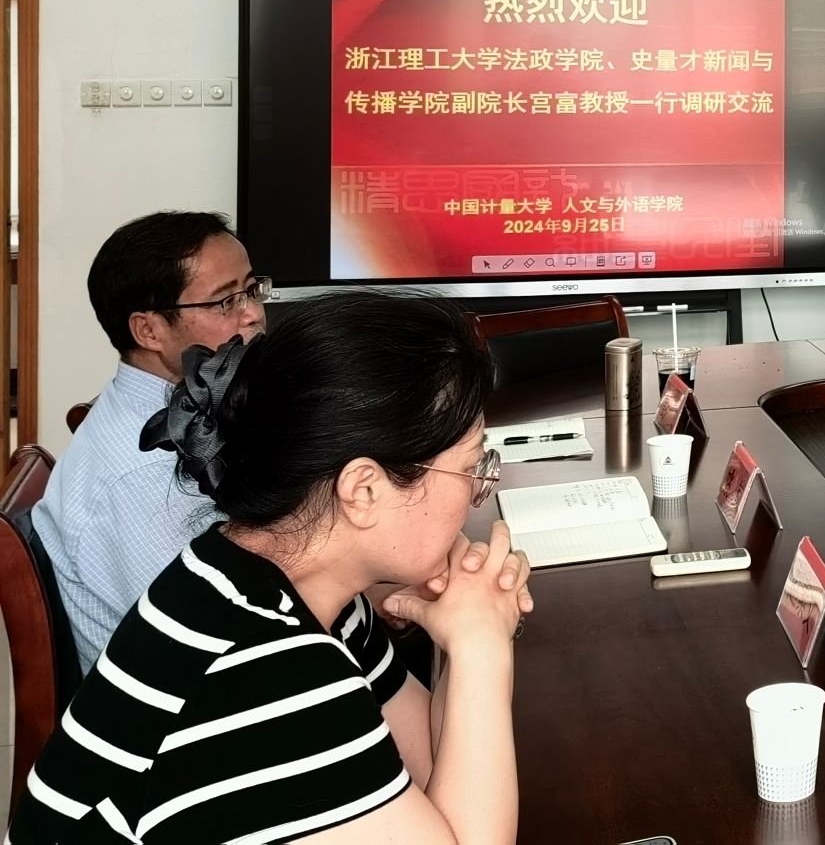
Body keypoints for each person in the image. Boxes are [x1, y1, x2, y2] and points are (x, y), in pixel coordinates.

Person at [12, 290, 534, 843]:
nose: (478, 489)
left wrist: (465, 633)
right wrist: (482, 645)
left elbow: (433, 769)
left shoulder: (282, 581)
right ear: (363, 490)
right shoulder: (266, 668)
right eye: (472, 468)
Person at [37, 211, 269, 670]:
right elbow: (228, 644)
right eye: (226, 301)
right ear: (149, 331)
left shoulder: (189, 410)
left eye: (251, 289)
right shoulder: (149, 470)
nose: (254, 313)